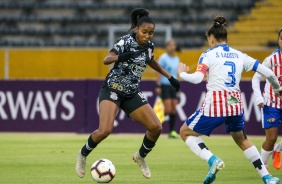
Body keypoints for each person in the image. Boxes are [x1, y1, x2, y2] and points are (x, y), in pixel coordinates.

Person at [75, 8, 180, 179]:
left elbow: (151, 60)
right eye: (144, 32)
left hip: (131, 93)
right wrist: (123, 56)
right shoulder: (125, 42)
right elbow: (106, 59)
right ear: (137, 29)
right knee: (105, 130)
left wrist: (170, 77)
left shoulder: (149, 46)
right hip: (112, 89)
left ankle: (140, 156)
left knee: (156, 128)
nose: (147, 35)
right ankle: (83, 154)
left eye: (151, 33)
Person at [177, 16, 281, 184]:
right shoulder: (240, 55)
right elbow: (268, 73)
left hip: (216, 104)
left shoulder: (208, 55)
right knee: (242, 139)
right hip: (235, 104)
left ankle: (213, 161)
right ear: (226, 38)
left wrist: (182, 73)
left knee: (185, 132)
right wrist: (277, 89)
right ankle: (267, 178)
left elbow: (197, 79)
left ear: (211, 39)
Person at [252, 28, 282, 171]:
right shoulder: (271, 59)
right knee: (271, 138)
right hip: (272, 103)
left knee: (275, 142)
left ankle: (278, 149)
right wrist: (258, 97)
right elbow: (256, 77)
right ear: (278, 40)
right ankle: (263, 167)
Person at [156, 40, 180, 138]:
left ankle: (172, 131)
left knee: (174, 109)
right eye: (170, 45)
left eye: (173, 45)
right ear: (167, 47)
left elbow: (176, 73)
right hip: (165, 85)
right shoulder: (163, 58)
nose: (172, 47)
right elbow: (158, 71)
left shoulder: (177, 59)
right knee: (168, 109)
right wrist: (158, 85)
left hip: (173, 86)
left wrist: (178, 84)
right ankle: (155, 122)